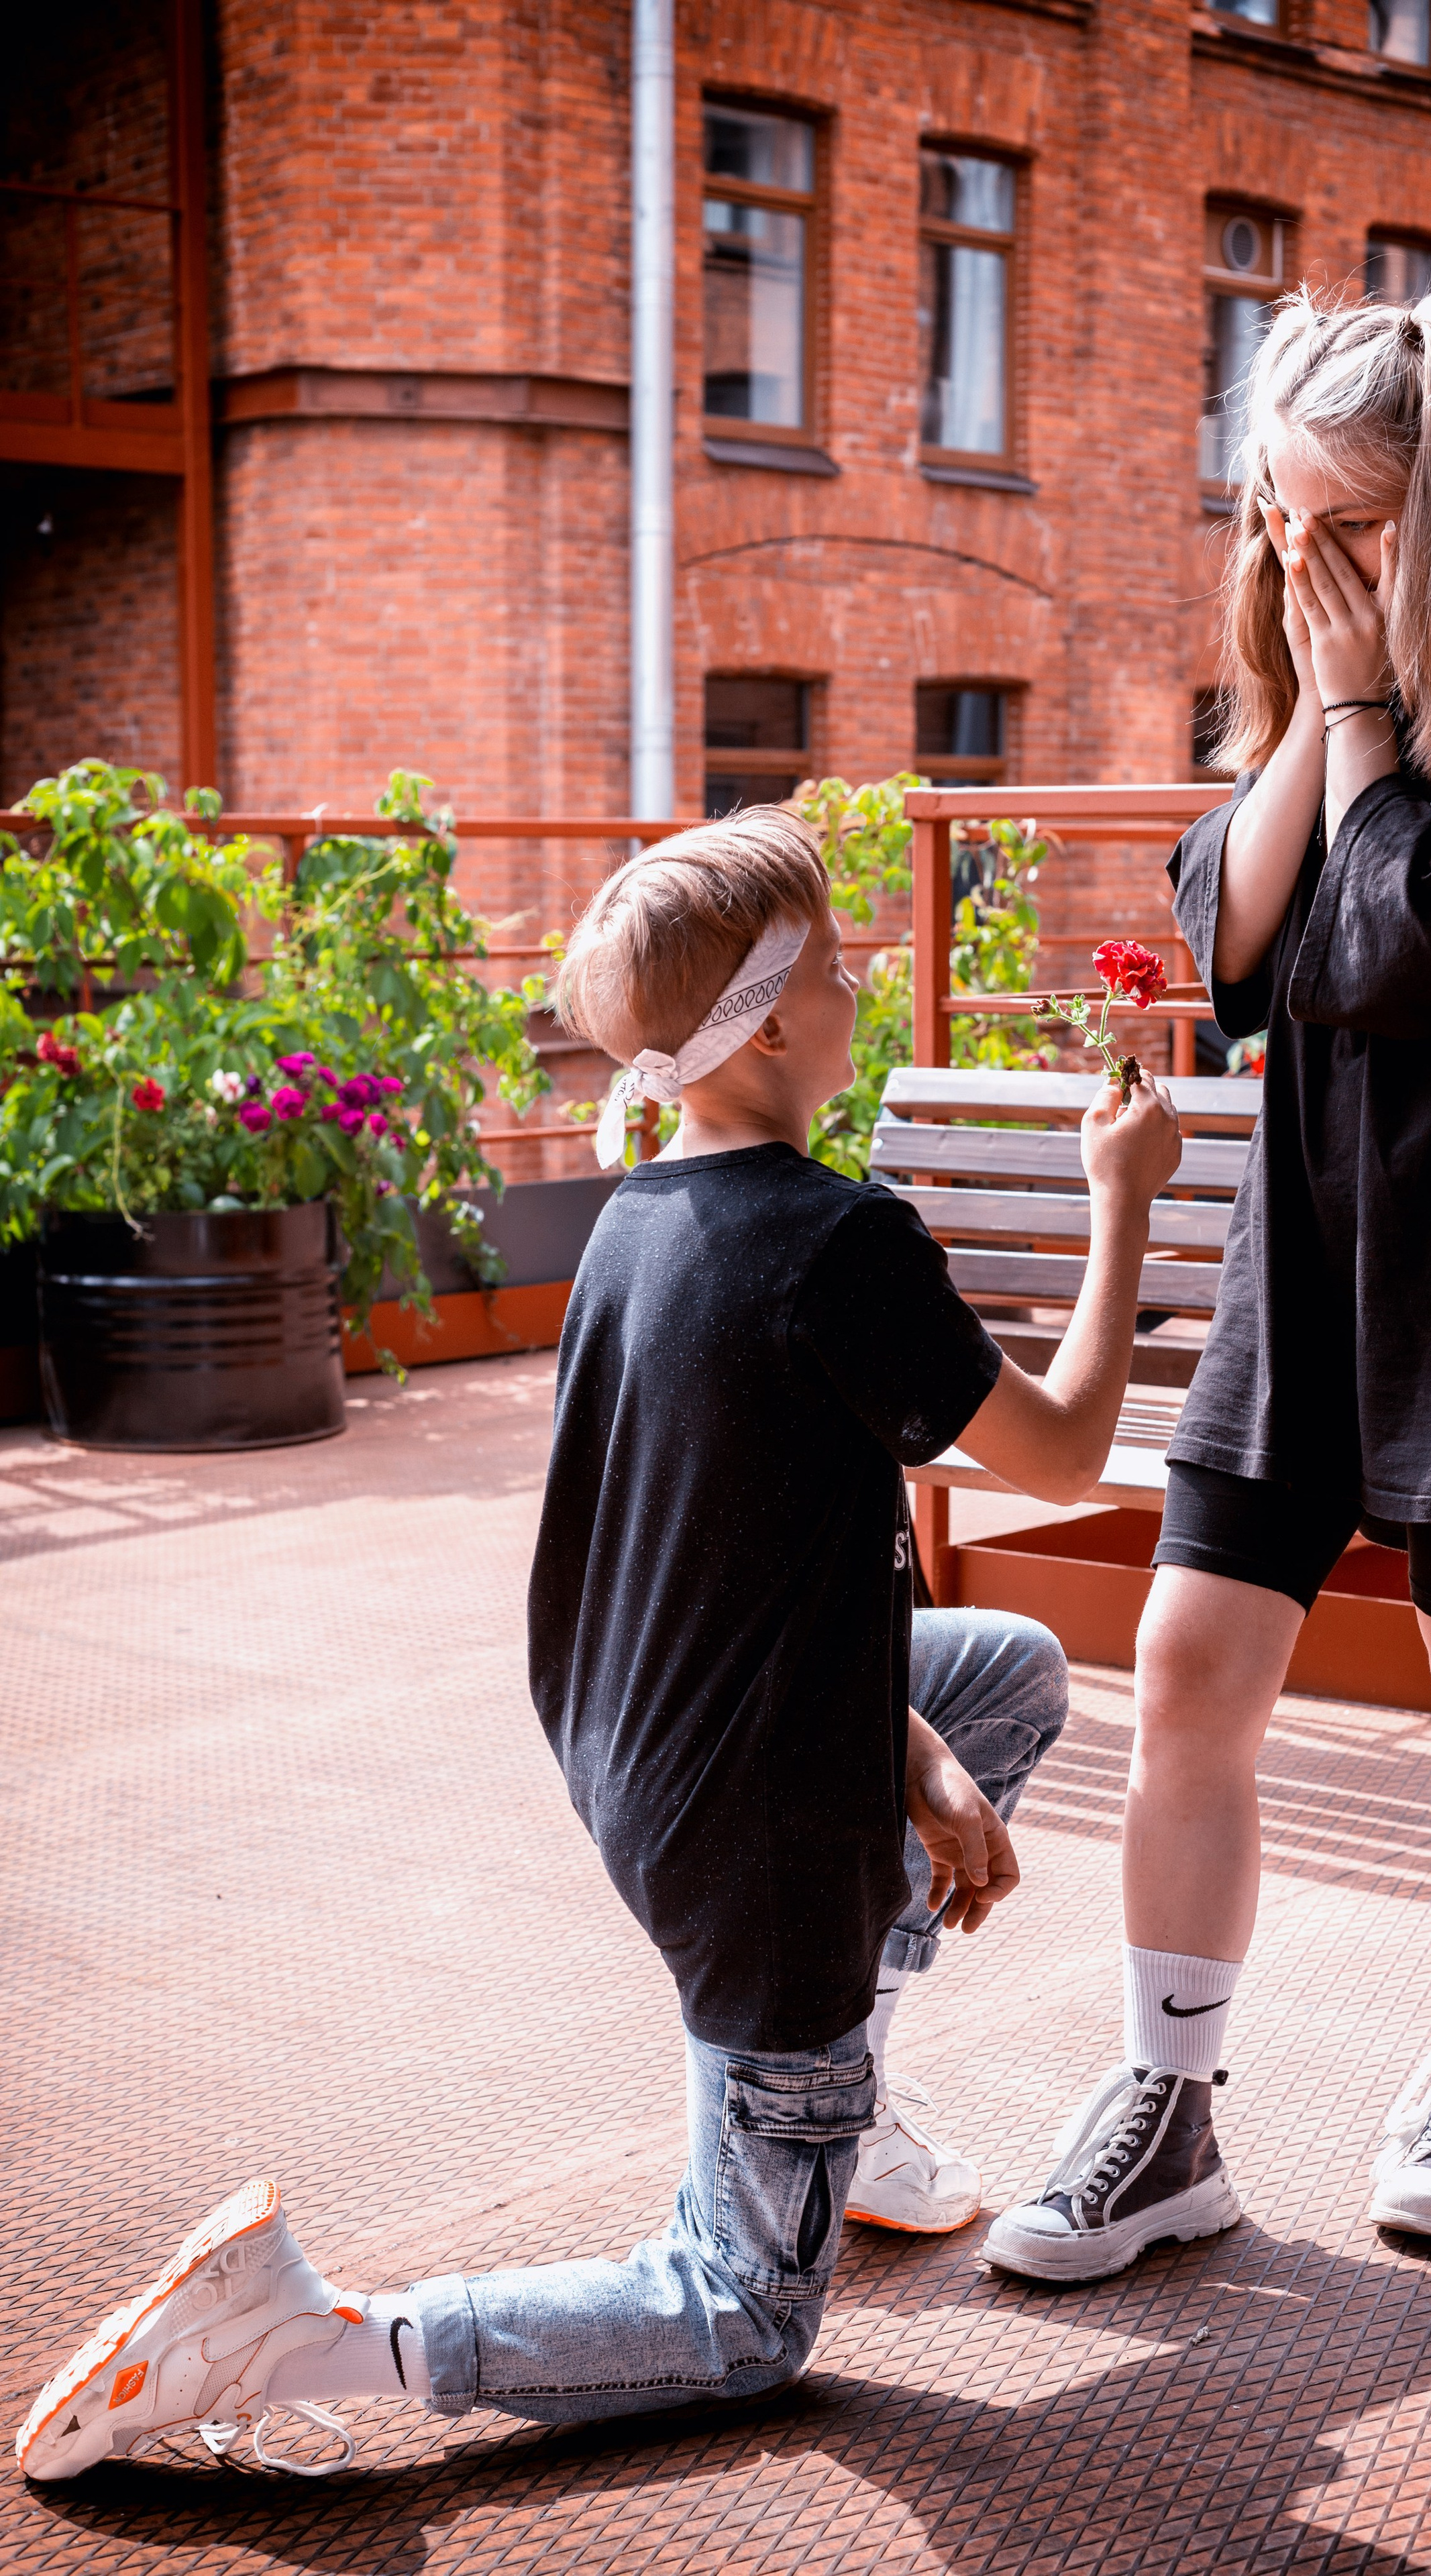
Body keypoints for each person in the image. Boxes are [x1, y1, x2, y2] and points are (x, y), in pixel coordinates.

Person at [19, 806, 1183, 2481]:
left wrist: (913, 1752)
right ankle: (311, 2335)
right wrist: (1119, 1199)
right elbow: (1064, 1455)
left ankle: (839, 2109)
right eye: (836, 967)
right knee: (744, 2316)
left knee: (998, 1673)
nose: (860, 989)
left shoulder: (641, 1215)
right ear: (767, 1028)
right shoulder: (839, 1242)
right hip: (756, 1837)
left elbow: (752, 1579)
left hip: (654, 1751)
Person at [984, 275, 1431, 2283]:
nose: (1309, 559)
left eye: (1350, 525)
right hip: (1306, 1264)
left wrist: (1357, 711)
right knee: (1190, 1664)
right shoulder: (1318, 676)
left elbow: (1400, 955)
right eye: (1282, 518)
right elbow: (1240, 952)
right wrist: (1317, 698)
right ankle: (1166, 2109)